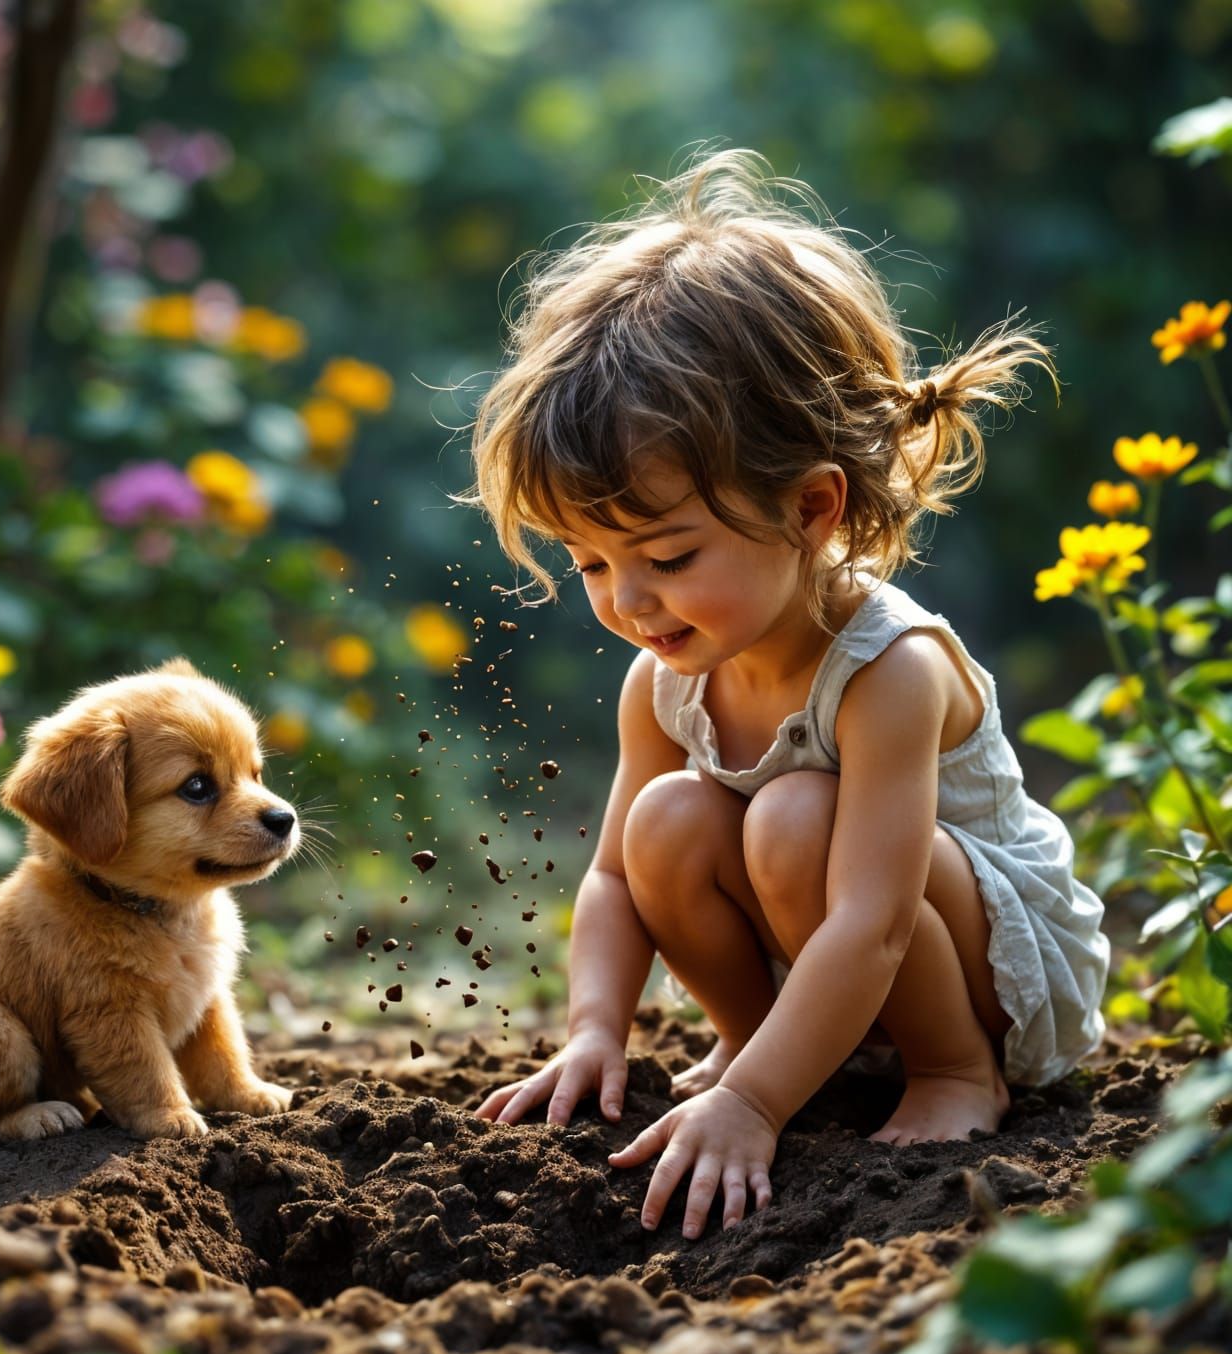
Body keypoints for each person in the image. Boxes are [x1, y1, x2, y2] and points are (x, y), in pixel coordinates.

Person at [465, 147, 1110, 1242]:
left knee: (797, 815)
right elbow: (619, 881)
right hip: (832, 961)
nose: (628, 600)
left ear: (813, 508)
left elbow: (870, 921)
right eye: (589, 563)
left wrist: (753, 1108)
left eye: (667, 557)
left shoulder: (889, 669)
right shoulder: (665, 679)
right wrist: (592, 1029)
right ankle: (765, 1044)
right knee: (668, 819)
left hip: (987, 980)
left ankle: (947, 1074)